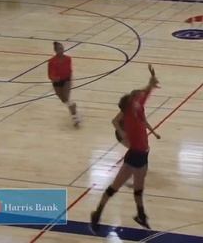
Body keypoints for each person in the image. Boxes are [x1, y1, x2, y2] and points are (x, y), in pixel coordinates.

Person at [91, 65, 162, 232]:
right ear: (130, 103)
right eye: (135, 97)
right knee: (114, 188)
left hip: (143, 154)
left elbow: (143, 93)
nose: (138, 97)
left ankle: (141, 215)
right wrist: (122, 133)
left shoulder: (137, 107)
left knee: (139, 189)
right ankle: (98, 212)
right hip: (135, 155)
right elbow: (116, 120)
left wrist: (151, 82)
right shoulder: (130, 112)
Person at [48, 42, 80, 125]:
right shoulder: (52, 61)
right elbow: (50, 74)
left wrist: (69, 80)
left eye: (62, 48)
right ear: (55, 50)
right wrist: (54, 78)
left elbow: (69, 70)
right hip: (57, 82)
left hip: (66, 80)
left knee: (66, 97)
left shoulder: (68, 58)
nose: (61, 50)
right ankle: (73, 106)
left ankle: (75, 117)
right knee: (63, 99)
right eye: (59, 49)